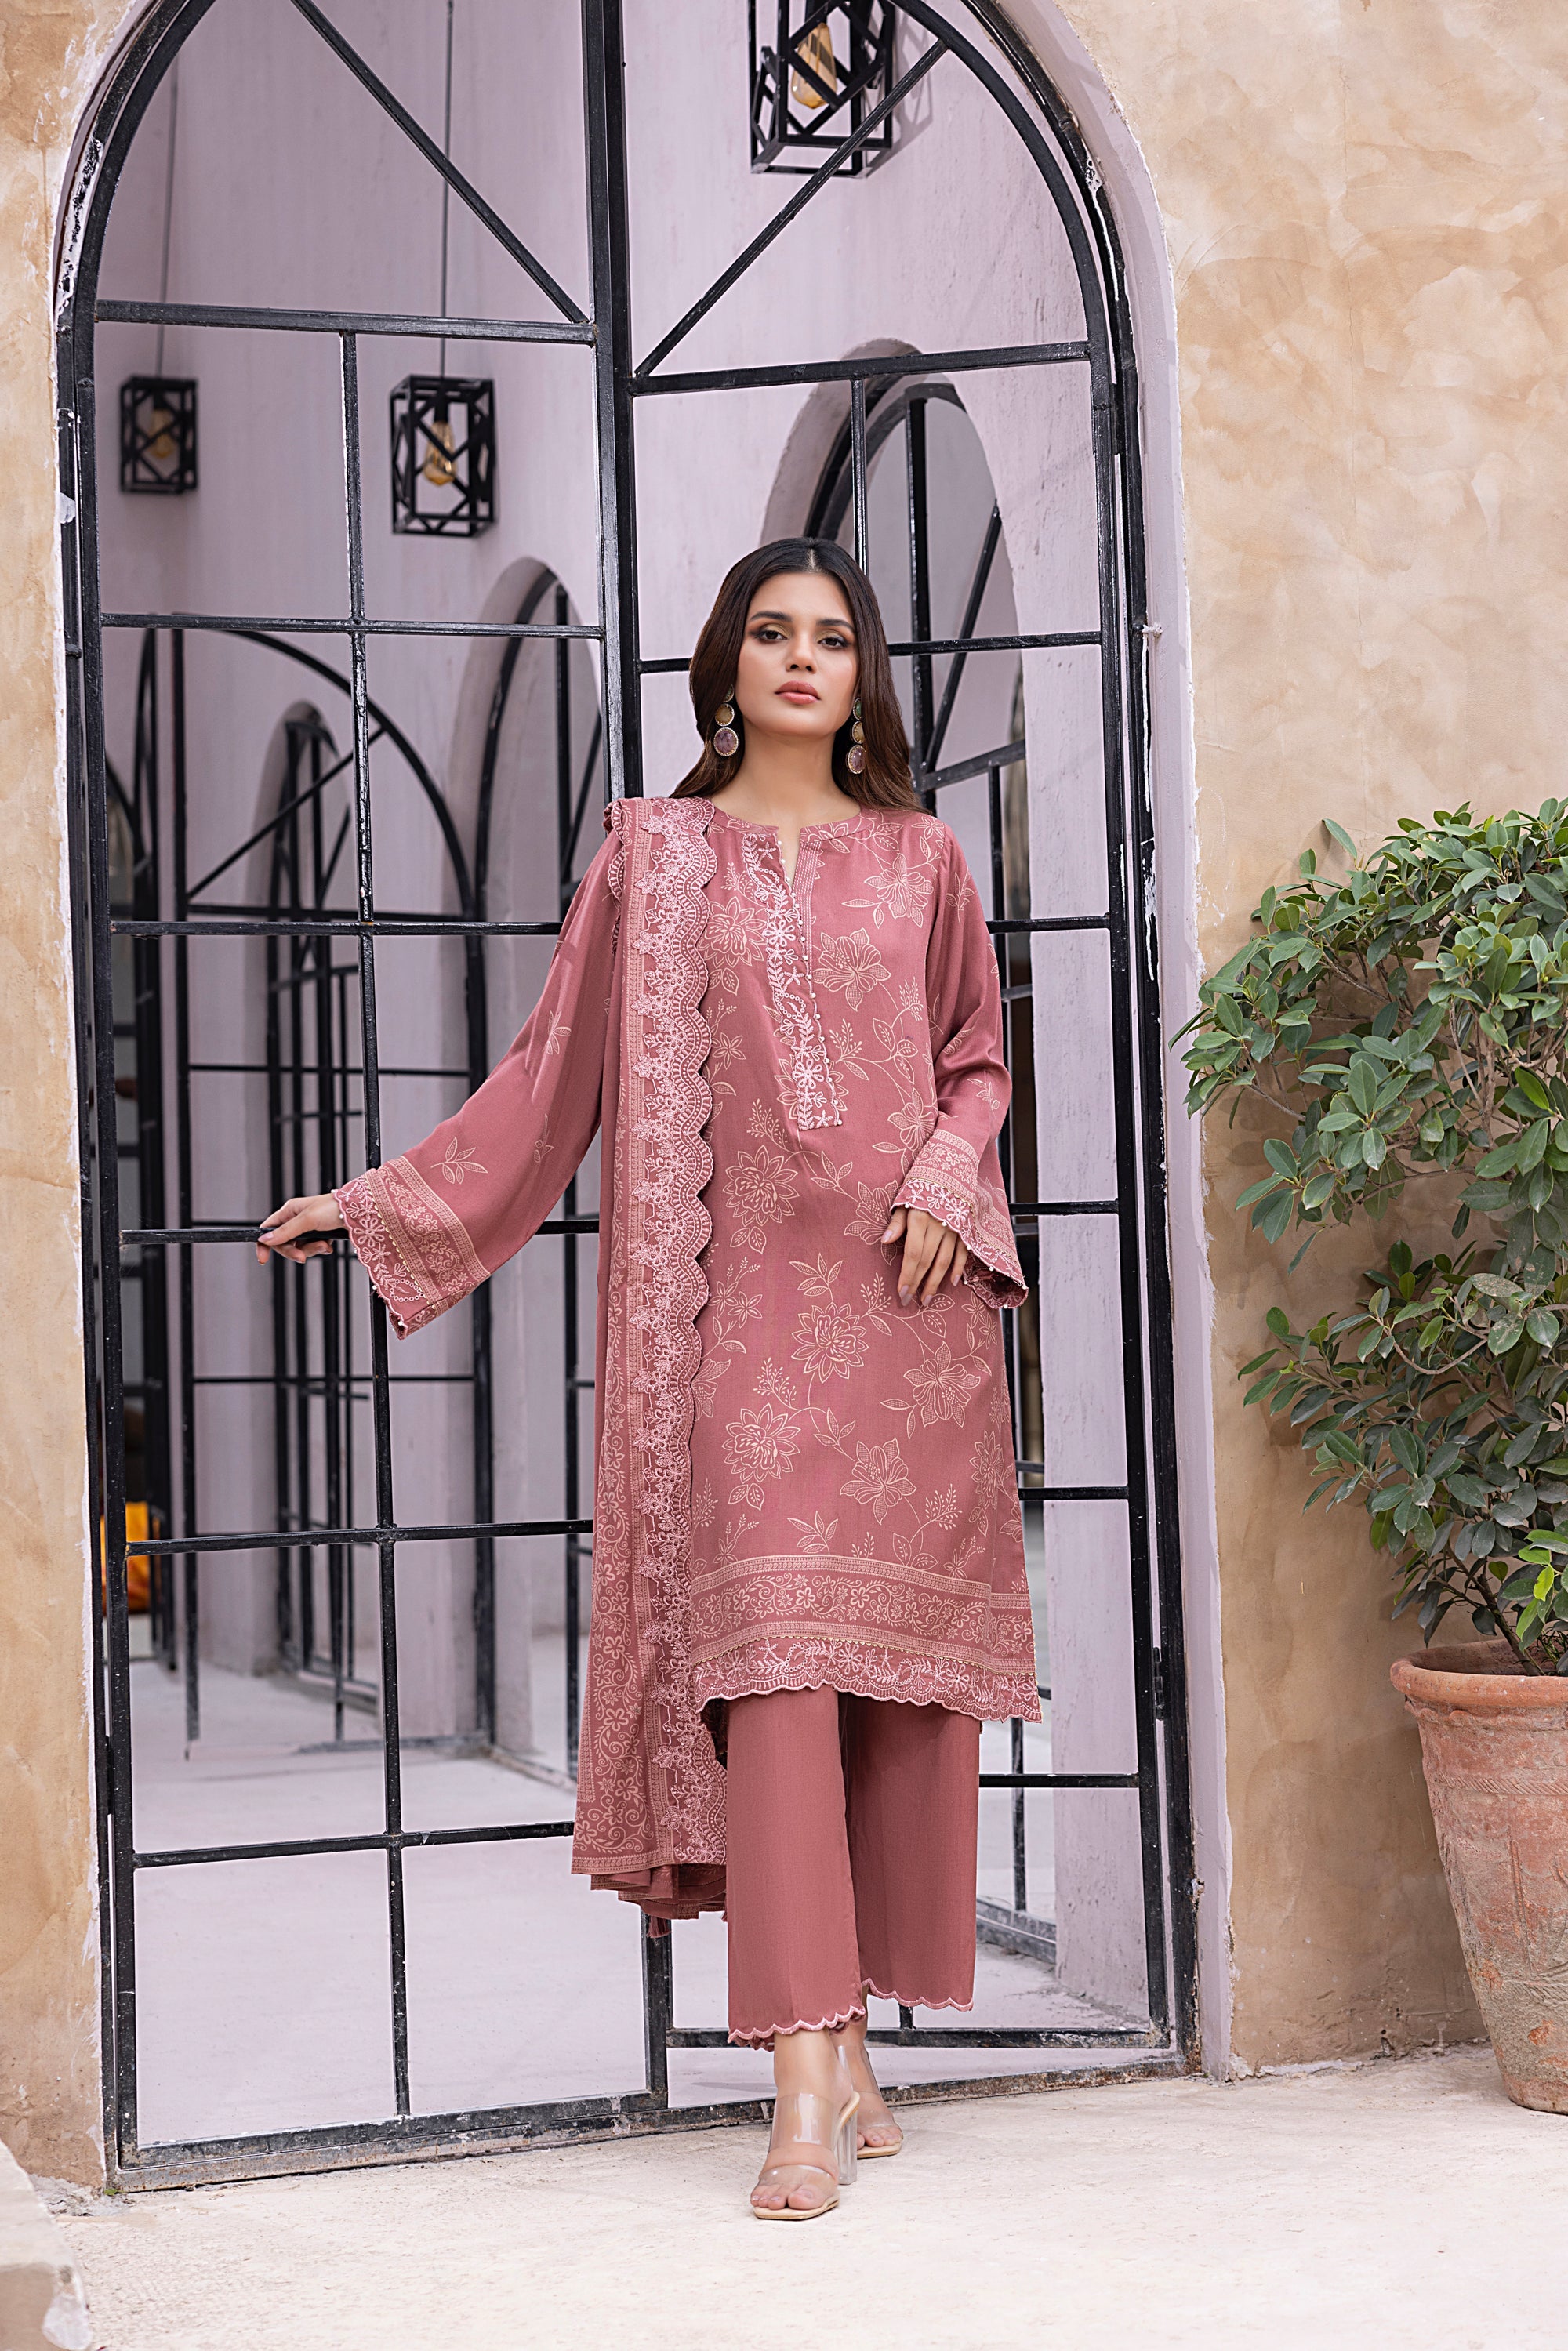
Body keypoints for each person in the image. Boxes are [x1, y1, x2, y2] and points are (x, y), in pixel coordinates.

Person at [258, 538, 1039, 2219]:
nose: (804, 658)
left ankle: (852, 2042)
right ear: (726, 665)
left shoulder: (923, 858)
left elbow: (977, 1059)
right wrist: (386, 1204)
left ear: (863, 676)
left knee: (879, 1695)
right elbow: (552, 1076)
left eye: (834, 638)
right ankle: (802, 2076)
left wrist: (946, 1176)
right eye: (772, 632)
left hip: (904, 1331)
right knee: (771, 1674)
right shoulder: (654, 858)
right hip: (732, 1329)